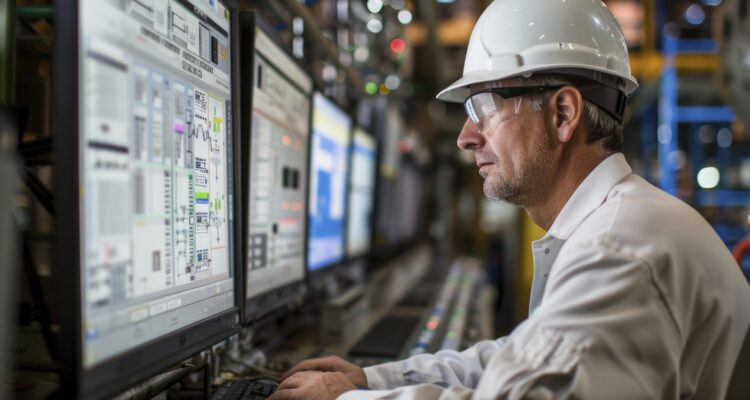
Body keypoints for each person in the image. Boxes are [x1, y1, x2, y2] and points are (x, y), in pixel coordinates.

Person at [268, 0, 750, 399]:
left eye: (483, 107)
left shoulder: (619, 250)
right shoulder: (612, 226)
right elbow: (524, 357)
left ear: (563, 113)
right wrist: (371, 379)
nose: (465, 136)